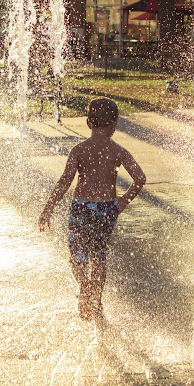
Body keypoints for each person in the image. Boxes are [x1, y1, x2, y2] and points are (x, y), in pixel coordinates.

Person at [38, 97, 146, 321]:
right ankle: (96, 300)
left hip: (82, 208)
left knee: (78, 255)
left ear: (88, 123)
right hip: (107, 209)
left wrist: (48, 207)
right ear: (114, 126)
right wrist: (123, 200)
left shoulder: (79, 150)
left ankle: (84, 284)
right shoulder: (118, 151)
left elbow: (65, 181)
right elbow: (140, 178)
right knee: (98, 256)